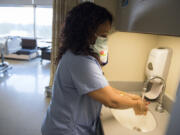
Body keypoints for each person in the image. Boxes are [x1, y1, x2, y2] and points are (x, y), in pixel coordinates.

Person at [41, 2, 148, 135]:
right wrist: (136, 105)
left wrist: (130, 96)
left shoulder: (77, 54)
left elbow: (101, 88)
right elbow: (111, 100)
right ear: (84, 33)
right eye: (102, 36)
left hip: (60, 124)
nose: (105, 40)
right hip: (65, 130)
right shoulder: (81, 62)